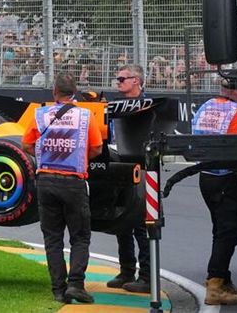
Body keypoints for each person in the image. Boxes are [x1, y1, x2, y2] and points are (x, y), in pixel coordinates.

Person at [21, 73, 103, 304]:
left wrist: (45, 154)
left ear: (54, 92)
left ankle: (58, 289)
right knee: (80, 236)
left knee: (53, 237)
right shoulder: (85, 116)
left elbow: (26, 145)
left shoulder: (40, 114)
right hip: (74, 181)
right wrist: (77, 155)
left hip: (46, 180)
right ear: (74, 92)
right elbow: (97, 148)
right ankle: (75, 284)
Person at [191, 76, 237, 306]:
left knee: (219, 229)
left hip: (206, 177)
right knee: (229, 233)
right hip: (227, 176)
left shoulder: (206, 107)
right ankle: (215, 284)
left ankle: (224, 280)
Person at [106, 63, 151, 293]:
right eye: (117, 78)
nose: (118, 82)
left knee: (142, 225)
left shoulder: (149, 106)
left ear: (136, 81)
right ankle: (126, 270)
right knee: (121, 220)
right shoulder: (115, 106)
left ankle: (147, 276)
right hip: (120, 168)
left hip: (143, 171)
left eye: (122, 79)